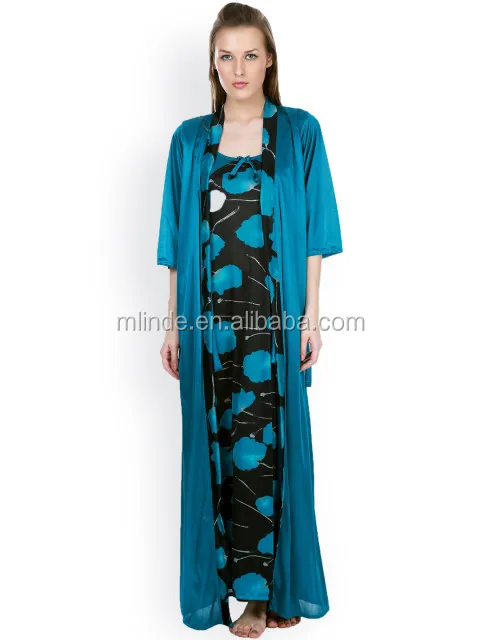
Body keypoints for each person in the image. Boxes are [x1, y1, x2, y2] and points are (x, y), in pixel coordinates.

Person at [157, 3, 343, 636]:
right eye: (226, 56)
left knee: (266, 452)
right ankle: (223, 586)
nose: (238, 68)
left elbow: (315, 233)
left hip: (273, 327)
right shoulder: (190, 141)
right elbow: (175, 241)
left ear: (269, 60)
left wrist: (312, 318)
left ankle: (263, 597)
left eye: (250, 54)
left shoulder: (298, 133)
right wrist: (172, 324)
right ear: (213, 64)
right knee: (215, 450)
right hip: (208, 328)